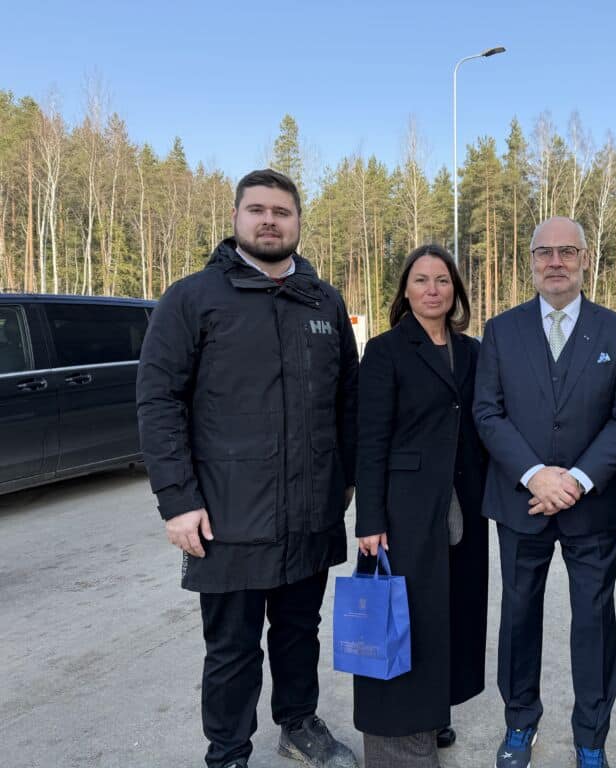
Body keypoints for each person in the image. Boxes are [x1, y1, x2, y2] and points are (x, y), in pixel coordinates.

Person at [137, 169, 359, 768]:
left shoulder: (323, 301)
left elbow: (349, 399)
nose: (269, 221)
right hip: (227, 514)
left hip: (309, 509)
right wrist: (178, 500)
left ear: (298, 222)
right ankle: (229, 750)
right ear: (235, 217)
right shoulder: (192, 299)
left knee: (299, 629)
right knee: (232, 645)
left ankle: (298, 724)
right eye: (257, 210)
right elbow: (159, 402)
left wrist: (345, 478)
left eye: (281, 212)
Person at [474, 216, 616, 768]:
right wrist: (534, 474)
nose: (555, 261)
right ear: (529, 261)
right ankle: (520, 723)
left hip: (591, 506)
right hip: (520, 502)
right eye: (543, 252)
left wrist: (574, 480)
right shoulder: (501, 330)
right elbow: (487, 412)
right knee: (519, 615)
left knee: (593, 622)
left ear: (586, 259)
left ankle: (591, 737)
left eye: (567, 251)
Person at [353, 243, 489, 768]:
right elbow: (370, 439)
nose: (433, 290)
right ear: (405, 291)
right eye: (421, 280)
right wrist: (369, 519)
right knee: (402, 616)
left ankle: (432, 714)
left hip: (462, 506)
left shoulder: (471, 350)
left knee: (447, 614)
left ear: (456, 290)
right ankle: (399, 743)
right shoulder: (385, 350)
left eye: (443, 280)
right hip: (403, 509)